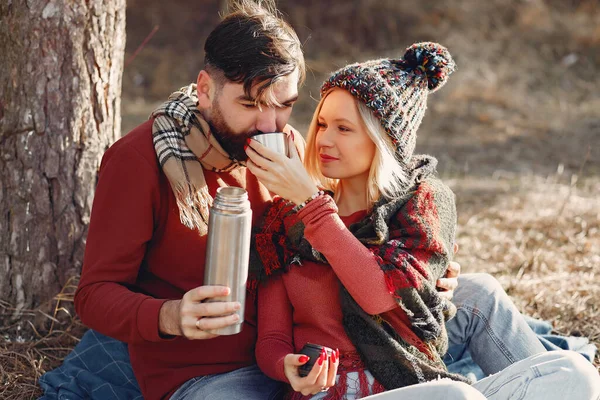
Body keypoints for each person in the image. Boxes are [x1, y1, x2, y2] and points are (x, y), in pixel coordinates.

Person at [246, 42, 600, 399]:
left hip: (409, 385)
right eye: (322, 124)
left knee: (577, 373)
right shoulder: (285, 221)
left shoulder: (417, 207)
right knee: (454, 397)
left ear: (383, 141)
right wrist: (286, 366)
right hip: (331, 394)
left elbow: (381, 296)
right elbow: (272, 338)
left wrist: (313, 205)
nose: (324, 139)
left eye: (344, 128)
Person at [73, 2, 305, 399]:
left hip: (297, 360)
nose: (269, 126)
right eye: (250, 105)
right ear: (205, 89)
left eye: (284, 105)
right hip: (204, 377)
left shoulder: (289, 148)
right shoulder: (139, 160)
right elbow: (94, 295)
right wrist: (170, 315)